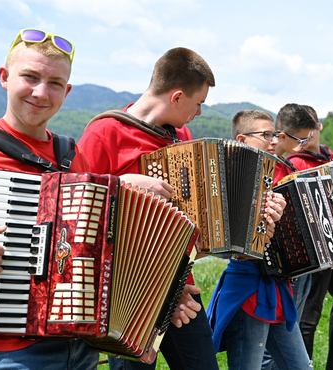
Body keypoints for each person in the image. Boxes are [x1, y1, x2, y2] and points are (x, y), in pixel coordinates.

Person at [0, 28, 102, 369]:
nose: (41, 92)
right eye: (30, 77)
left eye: (55, 83)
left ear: (67, 91)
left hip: (80, 347)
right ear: (4, 77)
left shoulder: (73, 156)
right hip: (5, 352)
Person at [78, 47, 218, 370]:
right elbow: (78, 208)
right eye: (198, 105)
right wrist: (125, 184)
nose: (198, 113)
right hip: (127, 292)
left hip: (180, 284)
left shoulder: (182, 135)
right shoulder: (104, 133)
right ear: (177, 97)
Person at [205, 109, 310, 370]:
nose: (274, 140)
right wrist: (258, 230)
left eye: (274, 134)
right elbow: (213, 242)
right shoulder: (220, 180)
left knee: (300, 366)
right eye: (265, 135)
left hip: (275, 284)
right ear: (242, 140)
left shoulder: (273, 176)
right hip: (248, 288)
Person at [276, 104, 333, 370]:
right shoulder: (293, 161)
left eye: (309, 131)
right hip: (314, 247)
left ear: (318, 127)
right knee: (309, 317)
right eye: (300, 136)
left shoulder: (329, 156)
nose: (305, 140)